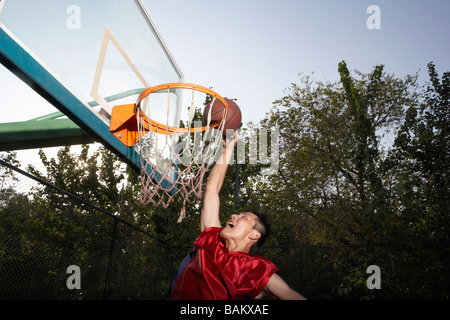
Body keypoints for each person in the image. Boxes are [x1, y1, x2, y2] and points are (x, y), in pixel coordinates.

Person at [170, 132, 306, 300]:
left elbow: (288, 294)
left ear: (254, 234)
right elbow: (212, 189)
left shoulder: (257, 269)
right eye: (238, 214)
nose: (234, 215)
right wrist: (229, 147)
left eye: (243, 217)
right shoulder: (211, 240)